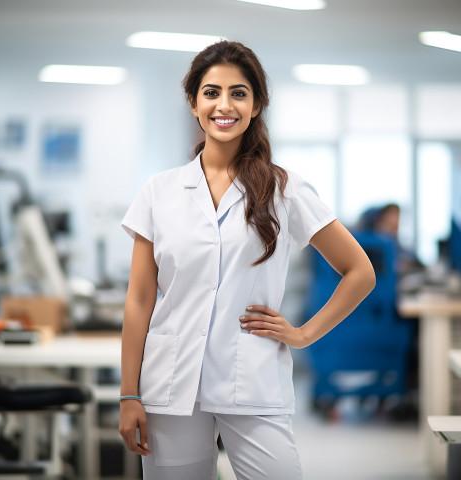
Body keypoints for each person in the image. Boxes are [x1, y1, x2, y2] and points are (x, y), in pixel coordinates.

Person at [118, 40, 376, 480]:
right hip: (170, 382)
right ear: (193, 104)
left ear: (257, 105)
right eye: (211, 92)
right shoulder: (158, 192)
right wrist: (128, 395)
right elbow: (140, 299)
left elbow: (360, 272)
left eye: (239, 93)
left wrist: (303, 334)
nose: (225, 105)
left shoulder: (286, 189)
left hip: (252, 377)